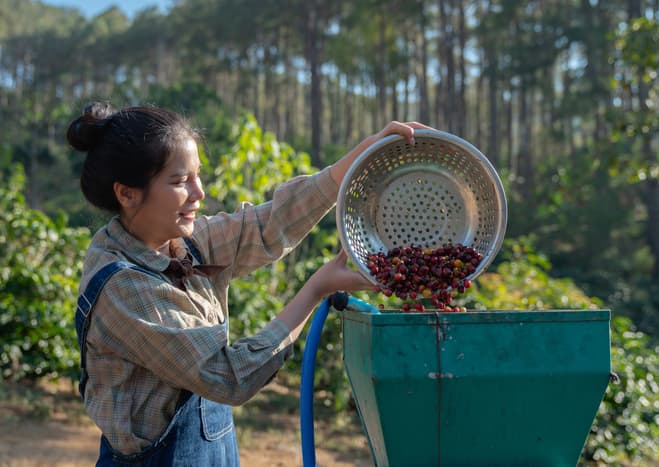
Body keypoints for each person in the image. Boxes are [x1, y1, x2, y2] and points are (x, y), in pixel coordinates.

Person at [66, 101, 427, 466]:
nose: (199, 193)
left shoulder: (183, 243)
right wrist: (315, 289)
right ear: (126, 193)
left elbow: (267, 224)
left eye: (197, 175)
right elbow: (227, 376)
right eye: (179, 181)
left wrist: (356, 160)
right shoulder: (124, 288)